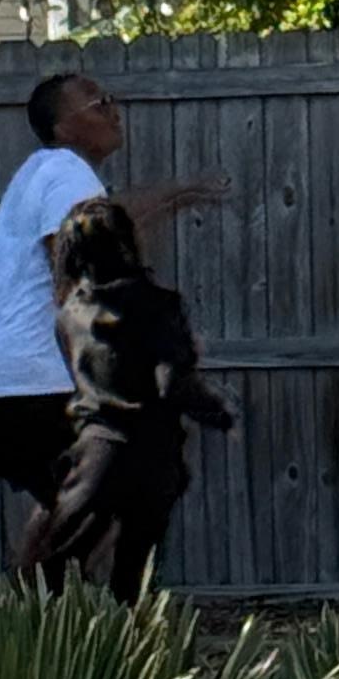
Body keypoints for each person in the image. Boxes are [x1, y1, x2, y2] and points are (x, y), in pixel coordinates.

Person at [0, 69, 217, 570]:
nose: (113, 109)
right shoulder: (64, 171)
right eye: (97, 103)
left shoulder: (47, 173)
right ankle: (58, 626)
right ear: (62, 128)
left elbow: (110, 222)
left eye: (111, 99)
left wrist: (178, 193)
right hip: (29, 379)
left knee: (76, 501)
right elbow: (75, 271)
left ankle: (33, 625)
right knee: (128, 487)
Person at [35, 196, 237, 599]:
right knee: (135, 573)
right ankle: (133, 650)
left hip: (100, 453)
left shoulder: (70, 315)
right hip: (155, 454)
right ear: (127, 242)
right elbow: (171, 382)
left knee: (53, 568)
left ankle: (57, 648)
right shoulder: (159, 305)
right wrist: (220, 414)